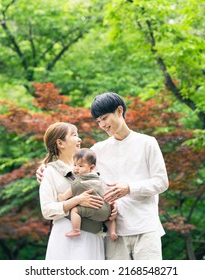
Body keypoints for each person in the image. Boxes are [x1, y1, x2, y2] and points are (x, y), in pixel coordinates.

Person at [37, 92, 169, 260]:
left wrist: (129, 188)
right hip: (113, 231)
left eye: (105, 118)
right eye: (98, 121)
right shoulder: (98, 150)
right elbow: (74, 165)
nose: (102, 125)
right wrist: (44, 169)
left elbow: (162, 182)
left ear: (120, 111)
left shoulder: (147, 143)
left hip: (145, 226)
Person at [39, 122, 107, 260]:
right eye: (74, 135)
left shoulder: (91, 168)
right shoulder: (50, 172)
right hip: (66, 236)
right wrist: (77, 200)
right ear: (60, 143)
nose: (79, 139)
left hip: (93, 235)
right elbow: (47, 210)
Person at [57, 148, 117, 240]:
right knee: (109, 219)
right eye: (75, 165)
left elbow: (72, 189)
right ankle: (112, 232)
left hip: (95, 210)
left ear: (91, 167)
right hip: (107, 211)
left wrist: (63, 196)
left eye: (80, 166)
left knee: (75, 211)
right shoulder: (97, 178)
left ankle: (76, 230)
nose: (76, 168)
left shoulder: (80, 180)